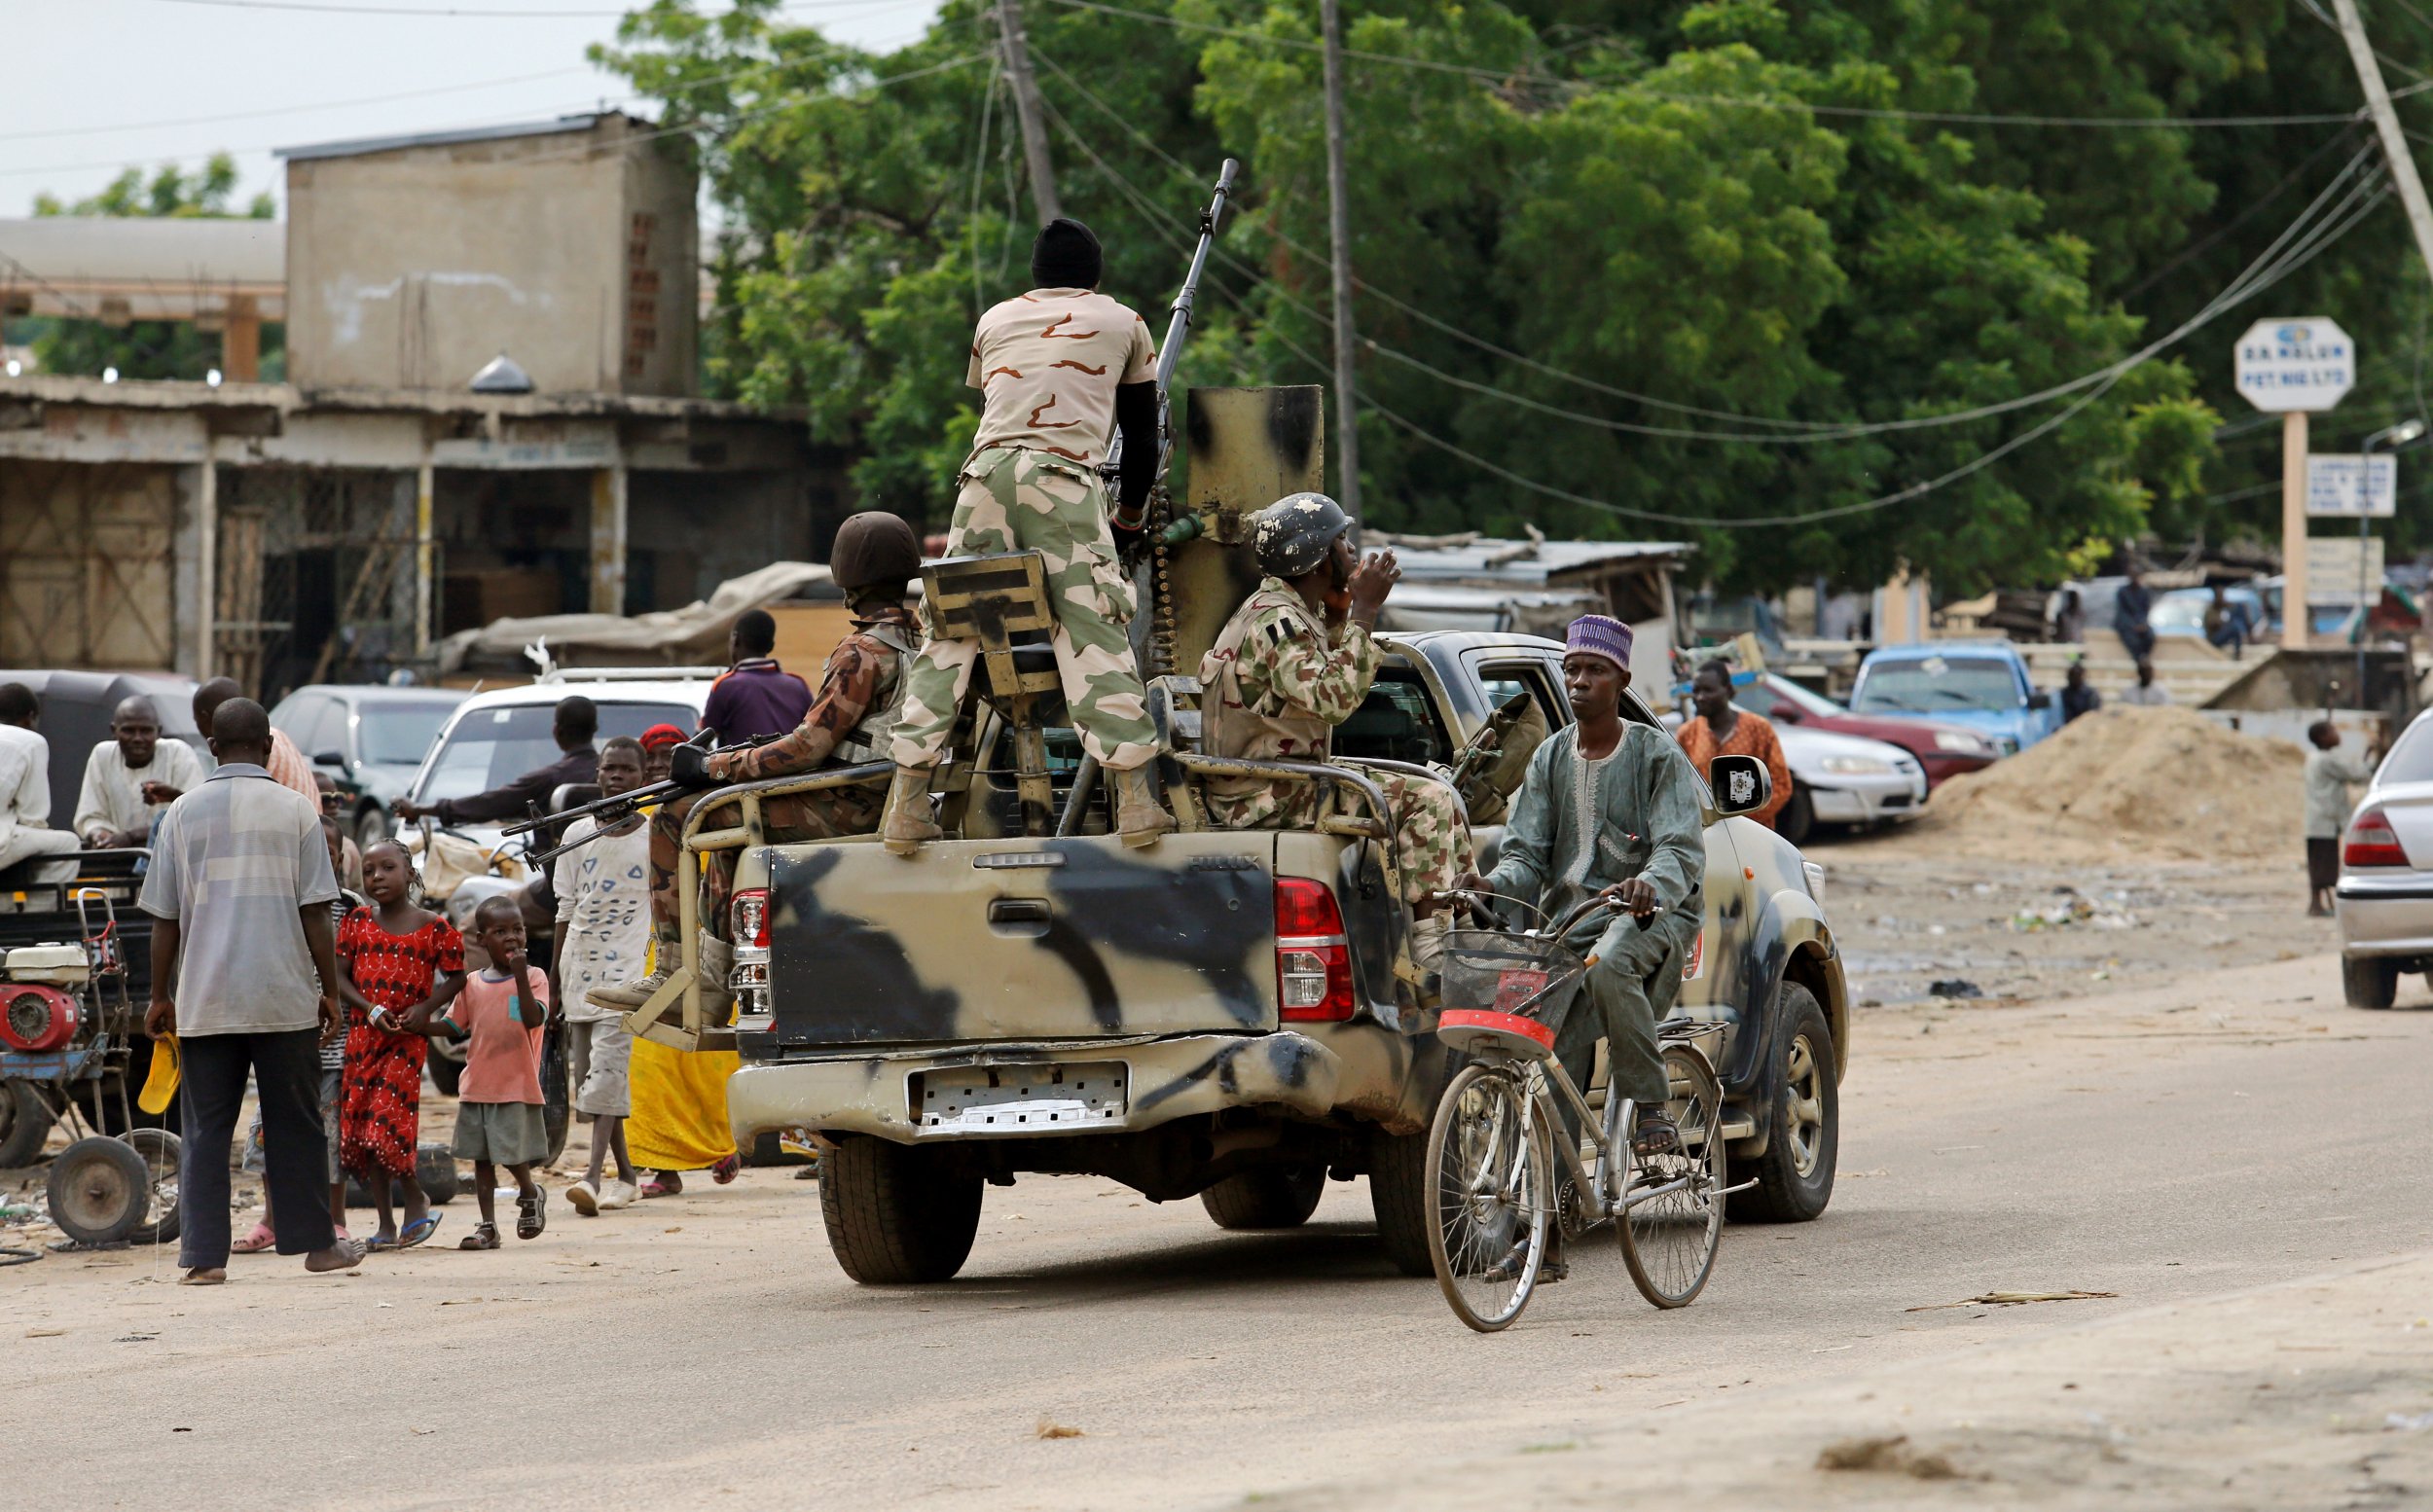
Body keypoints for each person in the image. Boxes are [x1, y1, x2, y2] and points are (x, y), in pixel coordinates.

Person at [882, 217, 1173, 853]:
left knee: (950, 632)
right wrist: (1126, 517)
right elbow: (1143, 439)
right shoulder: (1123, 321)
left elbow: (999, 402)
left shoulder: (995, 320)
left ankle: (905, 806)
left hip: (983, 478)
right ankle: (1136, 804)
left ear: (1035, 276)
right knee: (1093, 630)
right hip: (1064, 481)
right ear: (1095, 275)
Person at [597, 512, 925, 1012]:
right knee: (724, 827)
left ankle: (671, 973)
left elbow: (805, 748)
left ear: (847, 574)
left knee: (674, 815)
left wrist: (713, 768)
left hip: (848, 801)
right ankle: (706, 985)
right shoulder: (924, 642)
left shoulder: (862, 651)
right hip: (882, 795)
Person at [1466, 616, 1706, 1170]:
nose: (1578, 681)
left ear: (1621, 679)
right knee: (1553, 1044)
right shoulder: (1548, 757)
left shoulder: (1655, 754)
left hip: (1652, 916)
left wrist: (1649, 883)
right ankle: (1554, 1221)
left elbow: (1679, 846)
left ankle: (1650, 1105)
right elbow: (1524, 856)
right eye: (1571, 669)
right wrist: (1491, 884)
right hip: (1571, 922)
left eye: (1594, 670)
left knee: (1607, 963)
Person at [140, 696, 365, 1283]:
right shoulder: (297, 810)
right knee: (298, 1124)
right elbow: (318, 910)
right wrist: (330, 993)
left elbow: (165, 919)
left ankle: (203, 1259)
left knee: (206, 1129)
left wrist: (160, 995)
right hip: (282, 995)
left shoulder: (182, 814)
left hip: (207, 999)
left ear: (211, 746)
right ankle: (317, 1246)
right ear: (268, 747)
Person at [1197, 493, 1472, 971]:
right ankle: (1431, 945)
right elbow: (1334, 700)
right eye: (1340, 541)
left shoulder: (1284, 611)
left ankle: (1460, 922)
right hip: (1265, 794)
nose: (1350, 550)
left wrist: (1345, 612)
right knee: (1427, 798)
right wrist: (1366, 609)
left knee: (1438, 785)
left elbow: (1316, 676)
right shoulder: (1276, 621)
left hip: (1282, 779)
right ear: (1318, 558)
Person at [336, 839, 461, 1249]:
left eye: (387, 868)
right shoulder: (355, 922)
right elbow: (339, 978)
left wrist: (427, 1008)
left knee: (386, 1127)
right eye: (369, 871)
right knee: (361, 1133)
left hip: (406, 1042)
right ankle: (387, 1223)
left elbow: (458, 976)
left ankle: (416, 1197)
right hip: (363, 1038)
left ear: (409, 873)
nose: (377, 877)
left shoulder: (434, 927)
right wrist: (371, 1009)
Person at [410, 895, 553, 1249]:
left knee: (512, 1154)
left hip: (516, 1083)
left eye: (517, 929)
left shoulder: (534, 977)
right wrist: (417, 1026)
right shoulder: (472, 983)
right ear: (480, 939)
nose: (512, 937)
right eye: (500, 931)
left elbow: (533, 1019)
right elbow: (454, 1026)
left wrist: (519, 974)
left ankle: (530, 1191)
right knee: (482, 1158)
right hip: (476, 1084)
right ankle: (488, 1225)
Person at [553, 737, 651, 1215]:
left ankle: (592, 1177)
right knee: (592, 1077)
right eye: (609, 768)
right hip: (580, 967)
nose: (616, 777)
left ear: (643, 776)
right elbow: (565, 908)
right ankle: (628, 1176)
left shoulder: (655, 836)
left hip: (628, 969)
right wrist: (553, 978)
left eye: (626, 770)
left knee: (607, 1070)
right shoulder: (575, 835)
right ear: (597, 774)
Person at [392, 695, 598, 826]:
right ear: (595, 729)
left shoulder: (547, 780)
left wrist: (419, 809)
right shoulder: (616, 775)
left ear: (556, 731)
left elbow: (489, 804)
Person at [72, 696, 204, 847]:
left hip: (168, 855)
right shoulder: (102, 755)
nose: (137, 738)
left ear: (158, 732)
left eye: (146, 731)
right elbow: (89, 816)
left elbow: (195, 816)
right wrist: (100, 835)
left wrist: (131, 837)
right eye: (129, 731)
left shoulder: (178, 753)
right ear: (114, 731)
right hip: (116, 858)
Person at [1674, 659, 1792, 830]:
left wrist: (1741, 820)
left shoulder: (1758, 728)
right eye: (1696, 691)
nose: (1700, 697)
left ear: (1728, 690)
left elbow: (1781, 784)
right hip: (1706, 834)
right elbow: (1679, 785)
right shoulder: (1688, 733)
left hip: (1753, 833)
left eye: (1708, 690)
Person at [177, 678, 318, 804]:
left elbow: (232, 805)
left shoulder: (244, 744)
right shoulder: (270, 733)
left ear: (204, 716)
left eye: (196, 720)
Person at [0, 683, 79, 880]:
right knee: (68, 845)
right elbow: (32, 816)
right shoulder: (31, 741)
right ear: (30, 717)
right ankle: (39, 910)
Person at [703, 608, 814, 743]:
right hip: (792, 764)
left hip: (742, 764)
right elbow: (812, 733)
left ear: (736, 640)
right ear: (771, 646)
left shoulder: (727, 685)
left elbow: (702, 738)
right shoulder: (798, 685)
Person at [2305, 720, 2379, 917]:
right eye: (2332, 731)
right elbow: (2356, 774)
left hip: (2317, 820)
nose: (2337, 735)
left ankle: (2318, 903)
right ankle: (2317, 905)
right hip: (2326, 820)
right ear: (2322, 737)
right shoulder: (2327, 760)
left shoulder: (2313, 758)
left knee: (2318, 863)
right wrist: (2368, 756)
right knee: (2325, 864)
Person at [312, 771, 364, 889]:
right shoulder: (296, 842)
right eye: (324, 799)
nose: (333, 805)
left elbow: (357, 891)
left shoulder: (349, 848)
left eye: (337, 799)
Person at [2203, 584, 2257, 661]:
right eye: (2220, 596)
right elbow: (2214, 625)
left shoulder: (2221, 607)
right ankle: (2237, 654)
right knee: (2234, 627)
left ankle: (2250, 636)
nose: (2222, 598)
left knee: (2239, 608)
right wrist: (2224, 622)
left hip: (2221, 632)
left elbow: (2236, 607)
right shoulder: (2211, 610)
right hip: (2214, 638)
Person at [2114, 568, 2156, 663]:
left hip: (2140, 623)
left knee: (2149, 637)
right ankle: (2138, 661)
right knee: (2132, 641)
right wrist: (2133, 625)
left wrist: (2142, 623)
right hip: (2126, 625)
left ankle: (2143, 659)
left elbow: (2145, 610)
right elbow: (2122, 612)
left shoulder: (2144, 592)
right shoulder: (2123, 592)